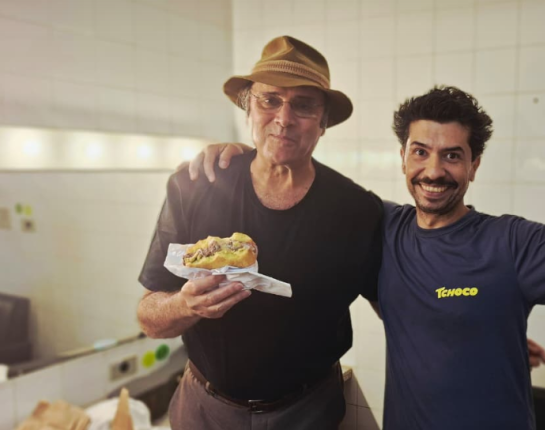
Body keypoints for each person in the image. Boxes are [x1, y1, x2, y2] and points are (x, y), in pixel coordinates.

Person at [194, 84, 545, 429]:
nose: (433, 170)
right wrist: (250, 156)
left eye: (452, 155)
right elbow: (304, 189)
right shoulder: (377, 223)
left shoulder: (512, 242)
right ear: (403, 157)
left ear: (474, 165)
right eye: (420, 152)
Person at [136, 36, 384, 430]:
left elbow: (400, 311)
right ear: (248, 107)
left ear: (323, 122)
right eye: (270, 100)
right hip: (205, 410)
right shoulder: (196, 185)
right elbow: (149, 318)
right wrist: (185, 305)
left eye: (303, 105)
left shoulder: (357, 211)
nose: (284, 119)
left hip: (308, 411)